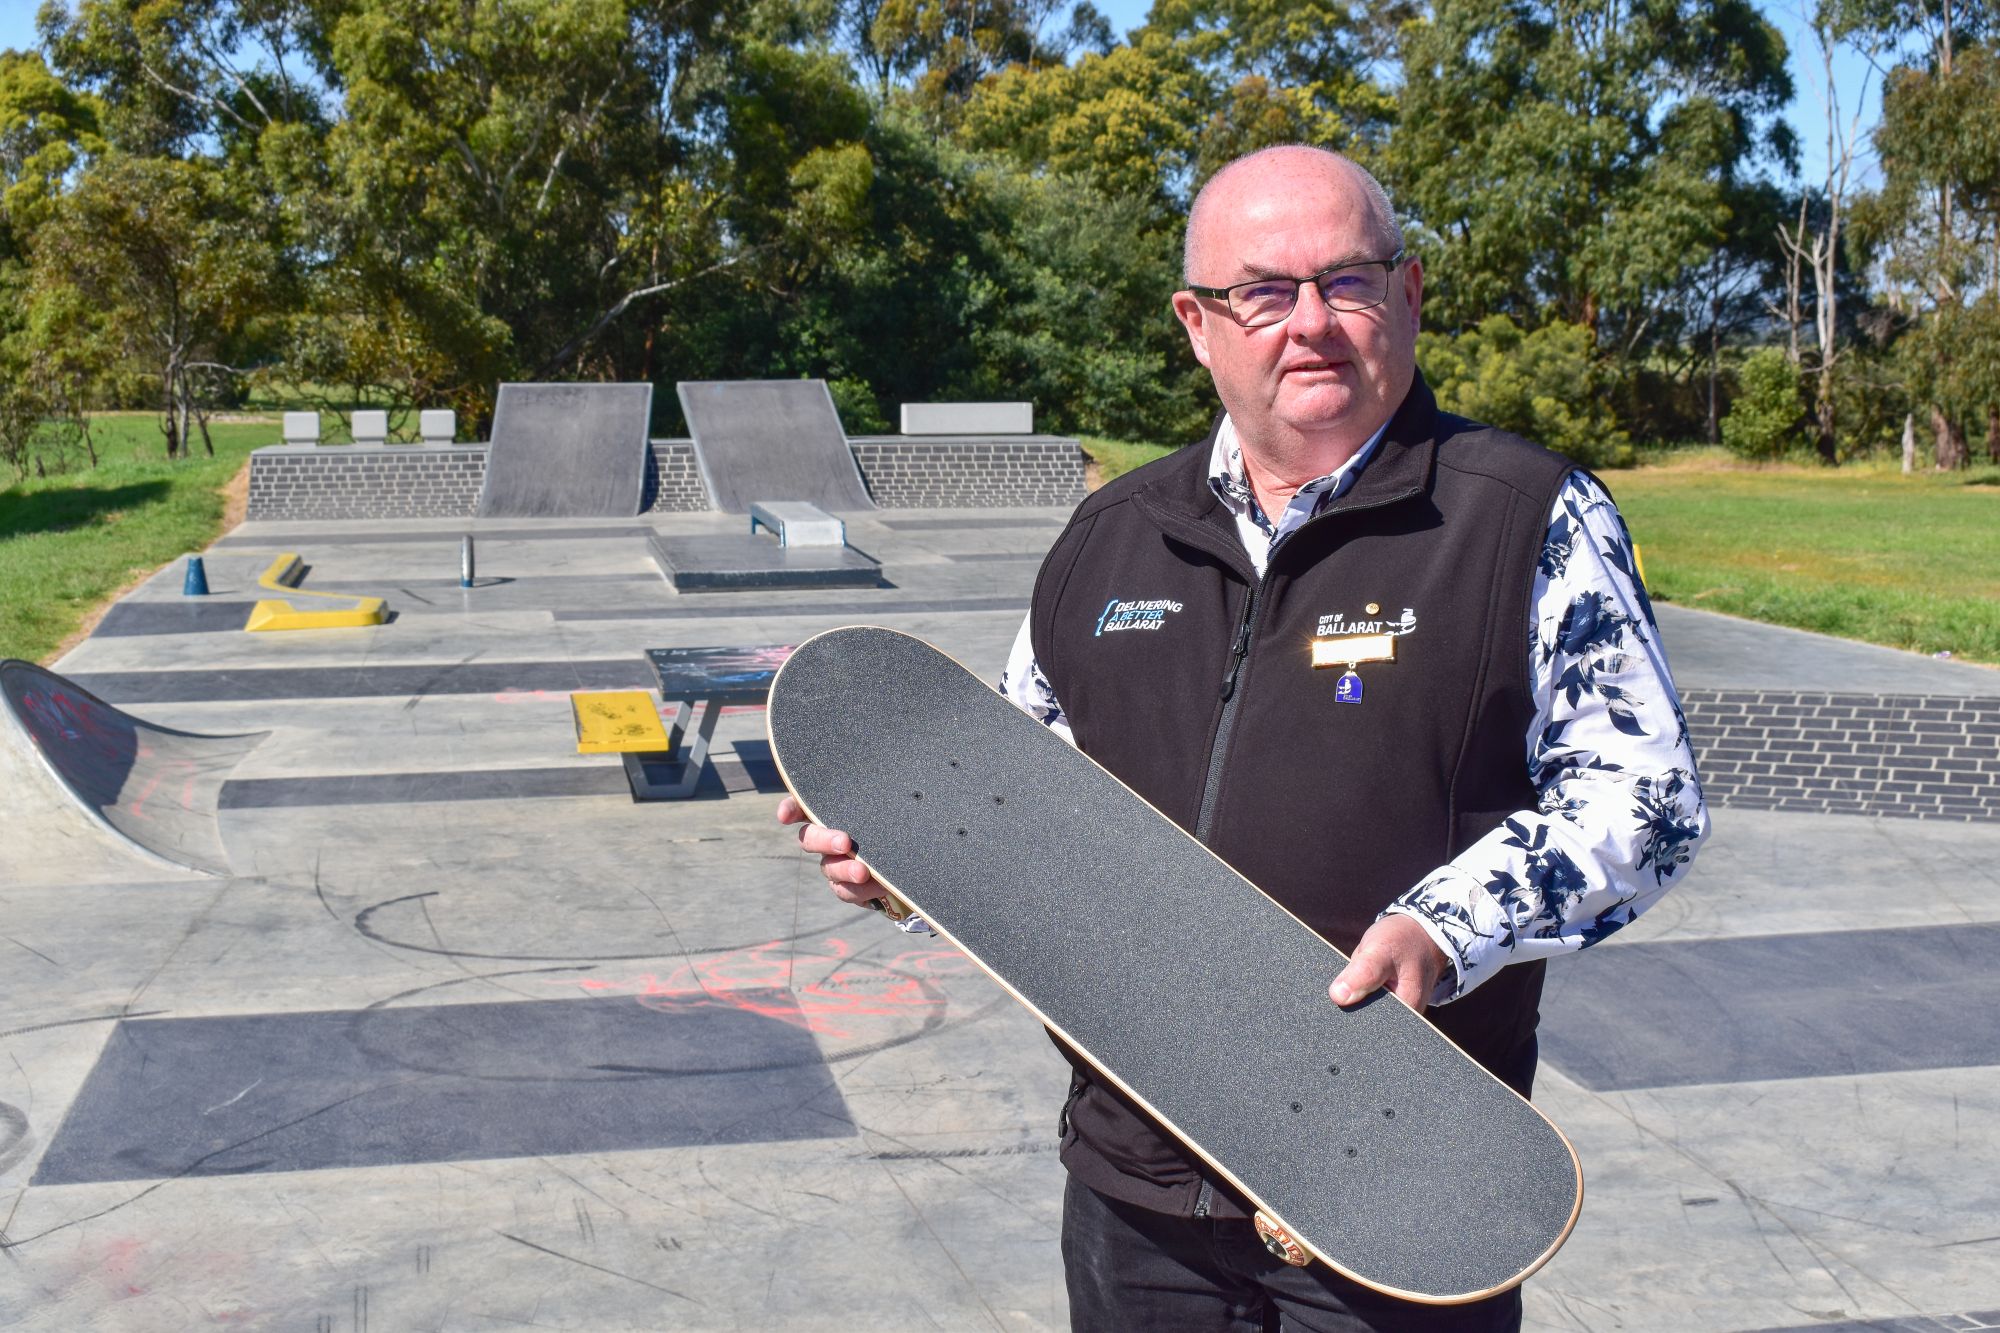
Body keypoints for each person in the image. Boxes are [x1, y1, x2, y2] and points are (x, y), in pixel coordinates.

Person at [778, 144, 1707, 1332]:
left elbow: (1642, 792)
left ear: (1408, 295)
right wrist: (910, 865)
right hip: (1133, 1193)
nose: (1309, 323)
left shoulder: (1524, 517)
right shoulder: (1110, 537)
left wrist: (1443, 925)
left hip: (1399, 1196)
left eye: (1349, 281)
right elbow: (1010, 790)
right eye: (1261, 292)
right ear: (1196, 324)